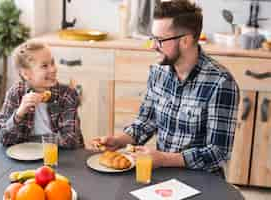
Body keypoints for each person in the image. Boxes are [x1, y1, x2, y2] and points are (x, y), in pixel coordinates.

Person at [89, 0, 239, 175]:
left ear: (185, 40)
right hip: (163, 171)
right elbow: (146, 122)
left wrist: (164, 159)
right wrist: (119, 141)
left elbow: (218, 153)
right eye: (153, 38)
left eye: (160, 40)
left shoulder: (220, 83)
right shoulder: (158, 71)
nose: (153, 46)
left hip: (202, 178)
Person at [0, 41, 84, 149]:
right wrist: (19, 113)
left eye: (52, 63)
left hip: (61, 158)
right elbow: (3, 138)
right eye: (44, 66)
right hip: (26, 158)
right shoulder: (15, 93)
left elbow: (71, 140)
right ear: (26, 74)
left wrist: (31, 141)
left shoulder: (67, 94)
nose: (53, 69)